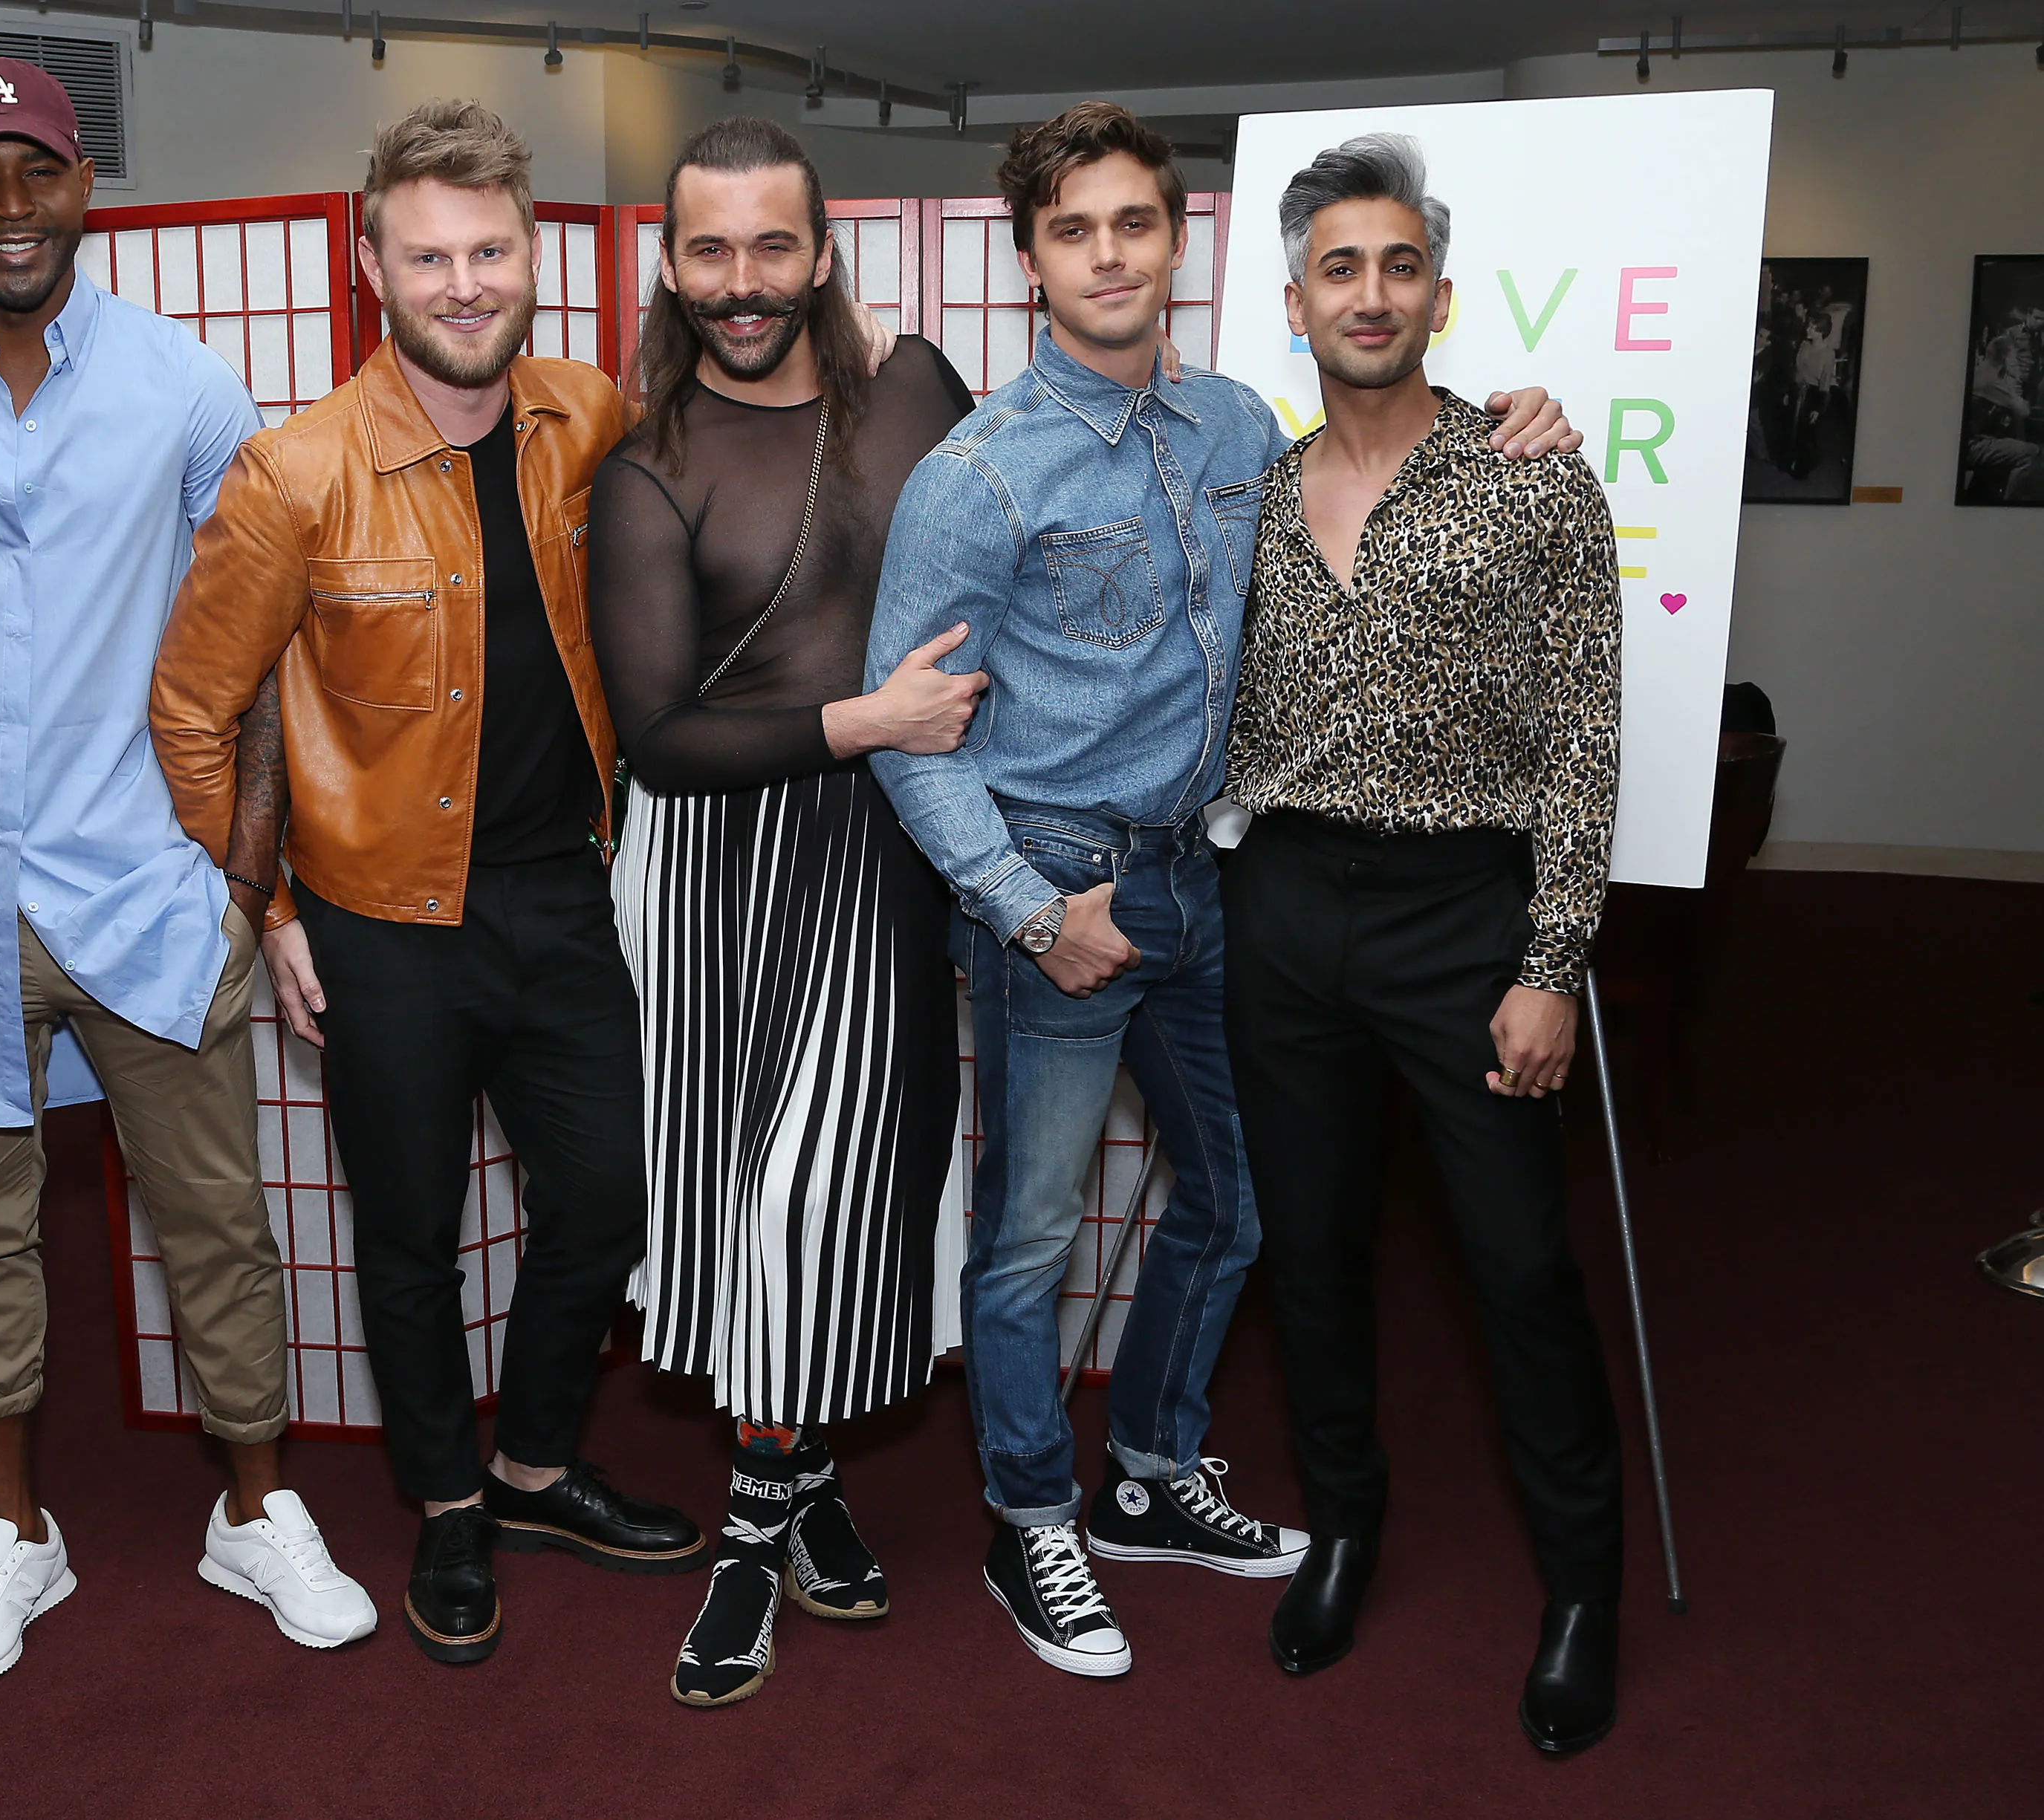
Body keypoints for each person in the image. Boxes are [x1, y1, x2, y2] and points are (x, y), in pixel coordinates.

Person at [867, 101, 1578, 1680]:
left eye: (1135, 223)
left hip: (1212, 882)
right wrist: (1026, 907)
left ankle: (1147, 1470)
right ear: (1031, 259)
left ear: (1178, 243)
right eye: (1073, 230)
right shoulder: (975, 474)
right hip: (1056, 893)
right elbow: (912, 737)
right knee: (1030, 1235)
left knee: (1246, 1200)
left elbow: (1374, 465)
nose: (1108, 255)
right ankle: (1026, 1517)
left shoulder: (1239, 428)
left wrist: (1510, 418)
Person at [0, 57, 376, 1684]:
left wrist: (243, 886)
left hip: (147, 886)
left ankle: (253, 1511)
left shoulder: (188, 387)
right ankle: (12, 1536)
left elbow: (258, 652)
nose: (11, 205)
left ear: (83, 187)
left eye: (36, 169)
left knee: (217, 1220)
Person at [151, 100, 707, 1668]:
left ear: (532, 253)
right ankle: (448, 1506)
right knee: (407, 1237)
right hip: (380, 925)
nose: (465, 284)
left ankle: (531, 1467)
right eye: (429, 257)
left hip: (565, 897)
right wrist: (269, 910)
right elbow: (191, 711)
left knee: (607, 1195)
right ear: (370, 266)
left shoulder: (585, 415)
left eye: (489, 251)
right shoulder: (294, 473)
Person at [1220, 132, 1628, 1754]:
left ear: (1440, 297)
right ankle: (1345, 1529)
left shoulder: (1532, 477)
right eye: (1340, 267)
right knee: (1312, 1256)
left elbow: (1585, 742)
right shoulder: (1255, 495)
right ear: (1297, 302)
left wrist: (1551, 962)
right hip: (1284, 912)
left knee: (1518, 1266)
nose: (1370, 293)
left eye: (1400, 266)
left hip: (1467, 921)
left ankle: (1581, 1589)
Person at [587, 117, 981, 1708]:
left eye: (771, 245)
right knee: (745, 1209)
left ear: (821, 252)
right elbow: (657, 738)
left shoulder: (921, 392)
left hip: (886, 855)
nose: (741, 281)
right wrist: (866, 721)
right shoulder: (649, 468)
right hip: (711, 872)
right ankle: (790, 1503)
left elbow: (1046, 528)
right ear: (670, 267)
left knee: (820, 1197)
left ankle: (758, 1524)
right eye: (709, 249)